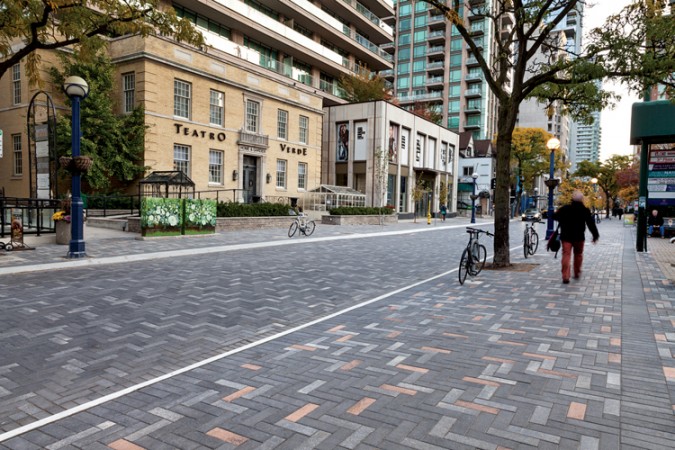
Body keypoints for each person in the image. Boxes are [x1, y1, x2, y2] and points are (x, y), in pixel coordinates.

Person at [552, 191, 599, 284]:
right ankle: (577, 272)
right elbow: (590, 224)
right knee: (578, 254)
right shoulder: (585, 210)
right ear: (582, 199)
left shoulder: (565, 208)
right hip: (579, 237)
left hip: (566, 236)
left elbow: (554, 216)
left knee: (566, 254)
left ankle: (565, 276)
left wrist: (562, 219)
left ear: (572, 198)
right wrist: (595, 235)